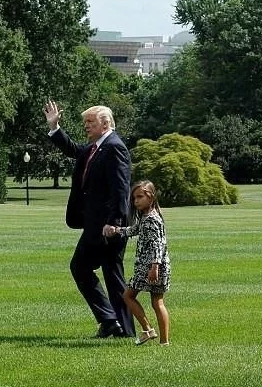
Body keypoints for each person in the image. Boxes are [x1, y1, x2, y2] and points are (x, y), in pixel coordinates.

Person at [44, 101, 134, 338]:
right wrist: (55, 128)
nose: (86, 126)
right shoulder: (96, 148)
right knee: (96, 271)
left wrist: (114, 223)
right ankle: (113, 323)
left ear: (105, 124)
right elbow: (75, 150)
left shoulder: (115, 147)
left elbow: (121, 190)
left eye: (90, 122)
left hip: (108, 226)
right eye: (85, 122)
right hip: (96, 225)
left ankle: (116, 324)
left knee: (100, 271)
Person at [104, 180, 171, 346]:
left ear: (151, 196)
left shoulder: (151, 220)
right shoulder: (147, 217)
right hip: (158, 266)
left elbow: (158, 244)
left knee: (128, 295)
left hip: (150, 267)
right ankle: (164, 342)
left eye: (140, 197)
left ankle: (148, 330)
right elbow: (133, 230)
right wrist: (117, 230)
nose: (136, 201)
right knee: (157, 302)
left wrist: (154, 267)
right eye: (134, 198)